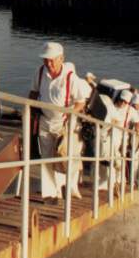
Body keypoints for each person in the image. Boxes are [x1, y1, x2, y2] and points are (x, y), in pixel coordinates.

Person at [29, 41, 92, 201]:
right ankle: (51, 192)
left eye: (51, 60)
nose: (48, 63)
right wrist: (30, 110)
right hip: (45, 120)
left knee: (63, 156)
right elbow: (34, 92)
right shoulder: (40, 71)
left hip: (64, 124)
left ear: (61, 58)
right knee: (46, 157)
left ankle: (66, 186)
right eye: (45, 59)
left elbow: (80, 102)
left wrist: (70, 113)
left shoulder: (71, 77)